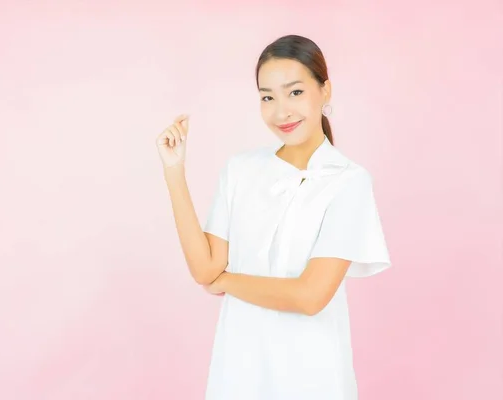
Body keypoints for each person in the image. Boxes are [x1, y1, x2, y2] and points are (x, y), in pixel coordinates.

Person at [156, 34, 391, 400]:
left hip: (314, 379)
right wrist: (174, 171)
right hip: (239, 372)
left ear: (324, 91)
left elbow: (311, 296)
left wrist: (227, 281)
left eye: (295, 92)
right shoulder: (240, 170)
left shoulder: (349, 182)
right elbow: (204, 269)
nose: (281, 111)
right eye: (268, 97)